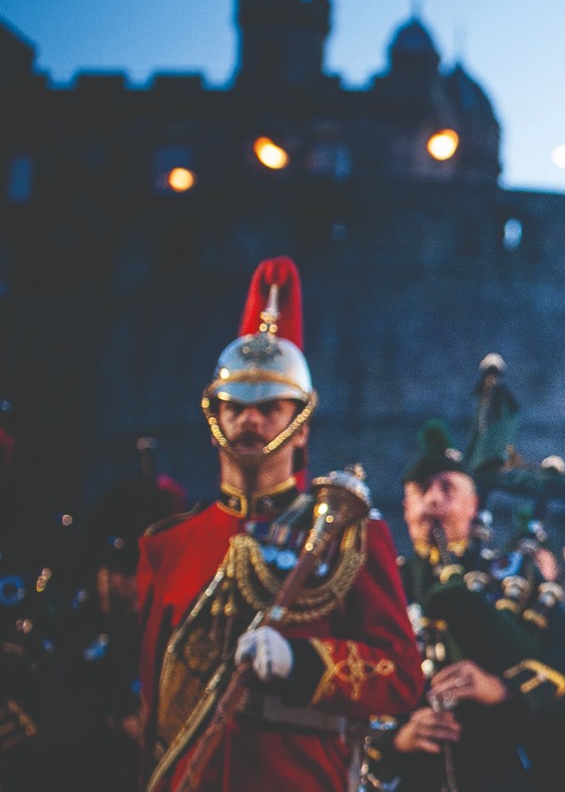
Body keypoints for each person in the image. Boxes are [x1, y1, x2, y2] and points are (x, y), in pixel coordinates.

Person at [137, 257, 423, 790]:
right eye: (234, 406)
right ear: (213, 415)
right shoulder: (170, 544)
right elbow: (152, 702)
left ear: (301, 426)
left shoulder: (348, 535)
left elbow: (402, 676)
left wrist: (304, 662)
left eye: (270, 407)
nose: (249, 420)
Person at [372, 418, 565, 790]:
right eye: (421, 489)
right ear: (406, 505)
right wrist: (397, 738)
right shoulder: (385, 586)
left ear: (473, 503)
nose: (433, 499)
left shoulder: (514, 576)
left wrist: (504, 688)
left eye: (447, 488)